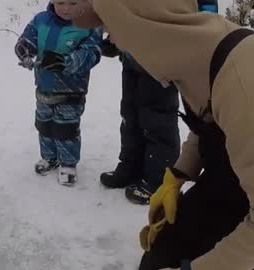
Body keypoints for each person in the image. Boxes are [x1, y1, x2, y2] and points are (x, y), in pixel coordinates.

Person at [69, 0, 254, 269]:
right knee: (165, 250)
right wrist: (177, 176)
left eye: (113, 28)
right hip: (233, 179)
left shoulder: (242, 83)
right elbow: (213, 121)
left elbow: (237, 109)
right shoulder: (200, 52)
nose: (114, 42)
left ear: (145, 27)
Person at [14, 0, 102, 186]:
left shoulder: (89, 24)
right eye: (60, 2)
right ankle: (49, 157)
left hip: (72, 90)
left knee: (66, 128)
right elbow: (28, 38)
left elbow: (91, 53)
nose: (66, 8)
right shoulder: (41, 20)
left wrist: (66, 62)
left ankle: (68, 164)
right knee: (44, 125)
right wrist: (24, 49)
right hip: (44, 86)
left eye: (72, 2)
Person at [99, 36, 180, 205]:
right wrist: (117, 37)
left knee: (158, 123)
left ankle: (157, 179)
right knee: (130, 119)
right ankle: (132, 166)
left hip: (161, 64)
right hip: (132, 60)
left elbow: (202, 14)